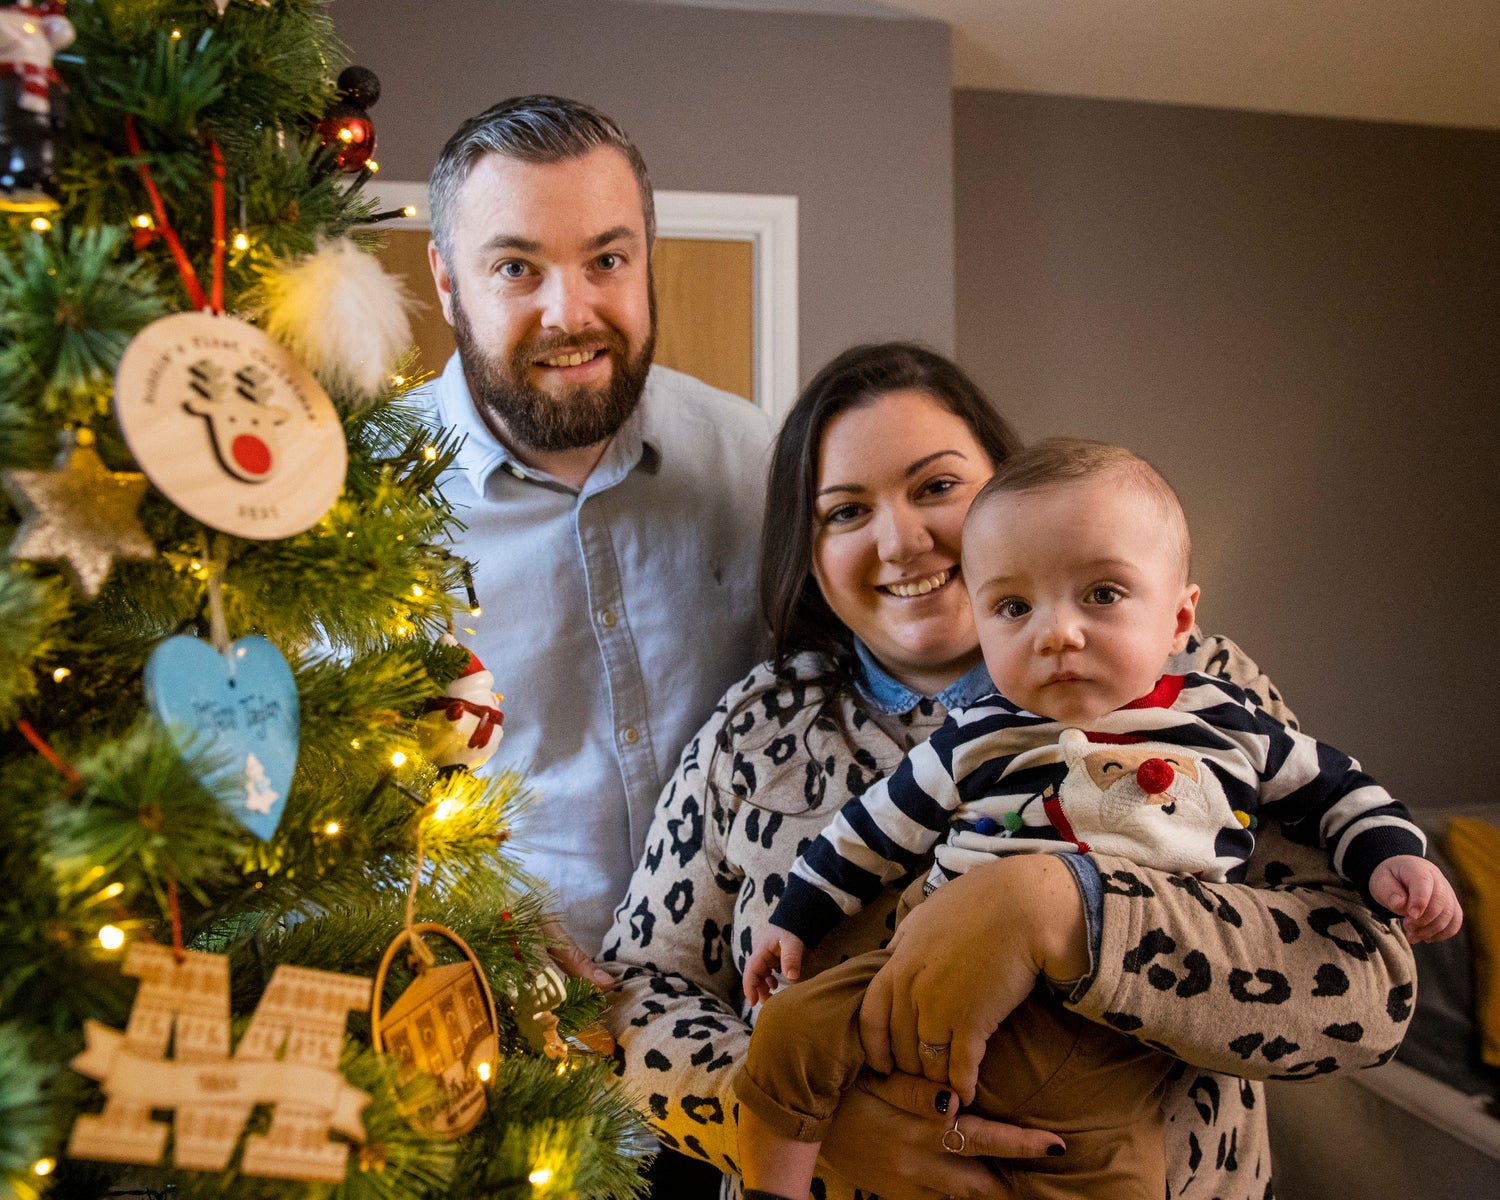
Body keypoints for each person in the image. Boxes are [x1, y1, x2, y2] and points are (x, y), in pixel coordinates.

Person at [600, 342, 1419, 1200]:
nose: (901, 539)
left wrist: (1061, 911)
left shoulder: (1199, 696)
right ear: (808, 553)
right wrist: (807, 1126)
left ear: (1009, 489)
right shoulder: (759, 728)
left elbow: (1367, 993)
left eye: (937, 487)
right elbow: (631, 999)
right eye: (844, 512)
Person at [419, 94, 772, 965]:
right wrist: (476, 919)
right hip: (491, 1026)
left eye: (606, 260)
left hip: (751, 1011)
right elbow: (312, 786)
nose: (569, 314)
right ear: (445, 280)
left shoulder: (755, 459)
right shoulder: (358, 498)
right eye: (516, 269)